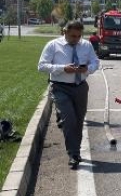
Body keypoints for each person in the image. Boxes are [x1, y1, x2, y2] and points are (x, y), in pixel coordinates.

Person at [37, 20, 100, 169]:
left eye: (79, 36)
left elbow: (95, 62)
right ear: (64, 32)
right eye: (73, 36)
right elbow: (41, 66)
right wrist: (62, 68)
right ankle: (73, 154)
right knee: (69, 119)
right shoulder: (53, 45)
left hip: (80, 87)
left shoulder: (86, 45)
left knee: (78, 121)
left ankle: (75, 151)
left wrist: (87, 69)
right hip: (60, 87)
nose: (76, 39)